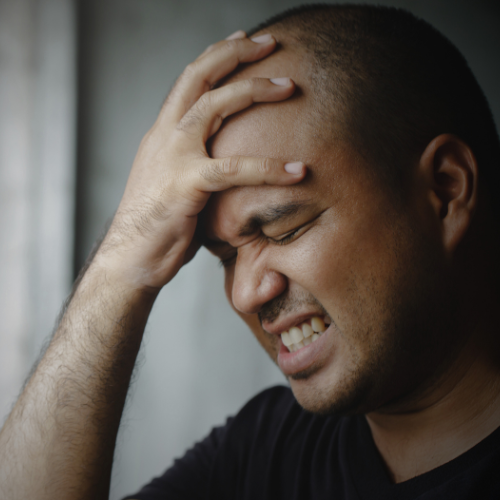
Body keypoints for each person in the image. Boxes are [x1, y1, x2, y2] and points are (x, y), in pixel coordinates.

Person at [1, 4, 500, 499]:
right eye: (225, 256)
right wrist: (120, 265)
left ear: (446, 189)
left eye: (284, 229)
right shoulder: (262, 452)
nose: (243, 294)